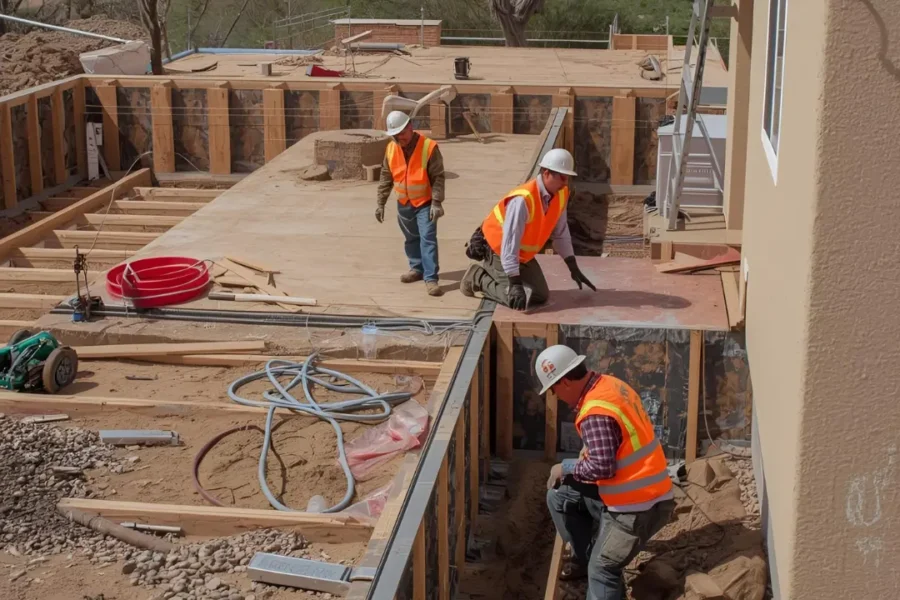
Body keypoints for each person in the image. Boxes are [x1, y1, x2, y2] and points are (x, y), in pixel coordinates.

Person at [535, 344, 676, 600]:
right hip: (645, 489)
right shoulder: (608, 384)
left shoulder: (595, 412)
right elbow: (613, 442)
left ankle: (596, 564)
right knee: (561, 496)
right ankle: (584, 557)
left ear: (565, 382)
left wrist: (565, 466)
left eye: (553, 390)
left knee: (603, 570)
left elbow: (602, 467)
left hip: (636, 506)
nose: (555, 396)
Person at [460, 148, 596, 310]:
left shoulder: (560, 194)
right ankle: (477, 277)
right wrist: (515, 283)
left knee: (540, 296)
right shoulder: (522, 200)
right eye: (562, 177)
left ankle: (504, 279)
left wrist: (572, 265)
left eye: (567, 178)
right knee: (518, 300)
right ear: (546, 173)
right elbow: (510, 243)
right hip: (497, 250)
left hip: (523, 255)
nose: (565, 183)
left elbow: (561, 233)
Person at [376, 110, 446, 297]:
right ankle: (417, 268)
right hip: (403, 203)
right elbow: (386, 175)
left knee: (428, 239)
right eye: (395, 135)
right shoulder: (391, 148)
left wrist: (437, 202)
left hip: (425, 202)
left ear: (410, 127)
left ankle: (431, 279)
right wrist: (380, 202)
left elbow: (438, 177)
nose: (400, 138)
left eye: (402, 133)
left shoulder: (429, 147)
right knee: (411, 238)